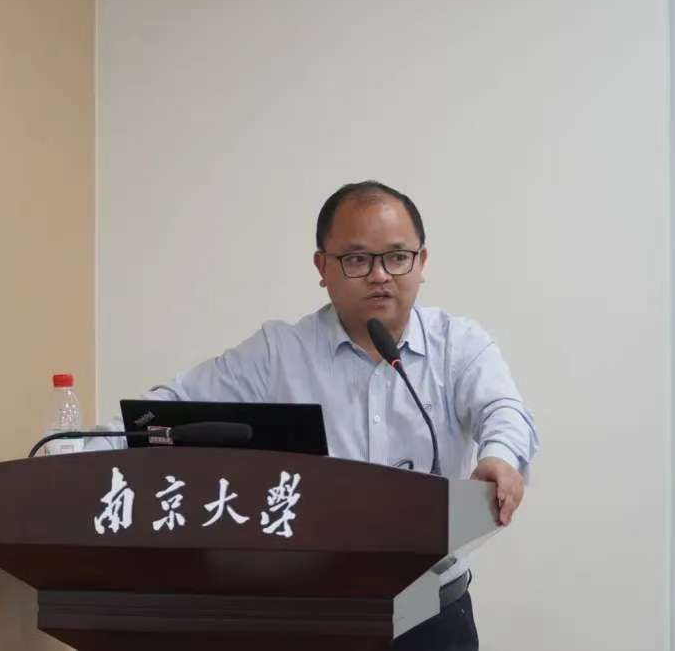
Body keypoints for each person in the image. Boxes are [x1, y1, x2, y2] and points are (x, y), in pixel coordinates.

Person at [107, 181, 540, 650]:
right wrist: (77, 450)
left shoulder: (458, 344)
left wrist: (500, 457)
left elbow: (503, 410)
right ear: (322, 266)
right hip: (315, 616)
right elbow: (168, 410)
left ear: (422, 262)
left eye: (397, 257)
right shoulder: (279, 353)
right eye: (357, 259)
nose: (380, 275)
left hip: (432, 617)